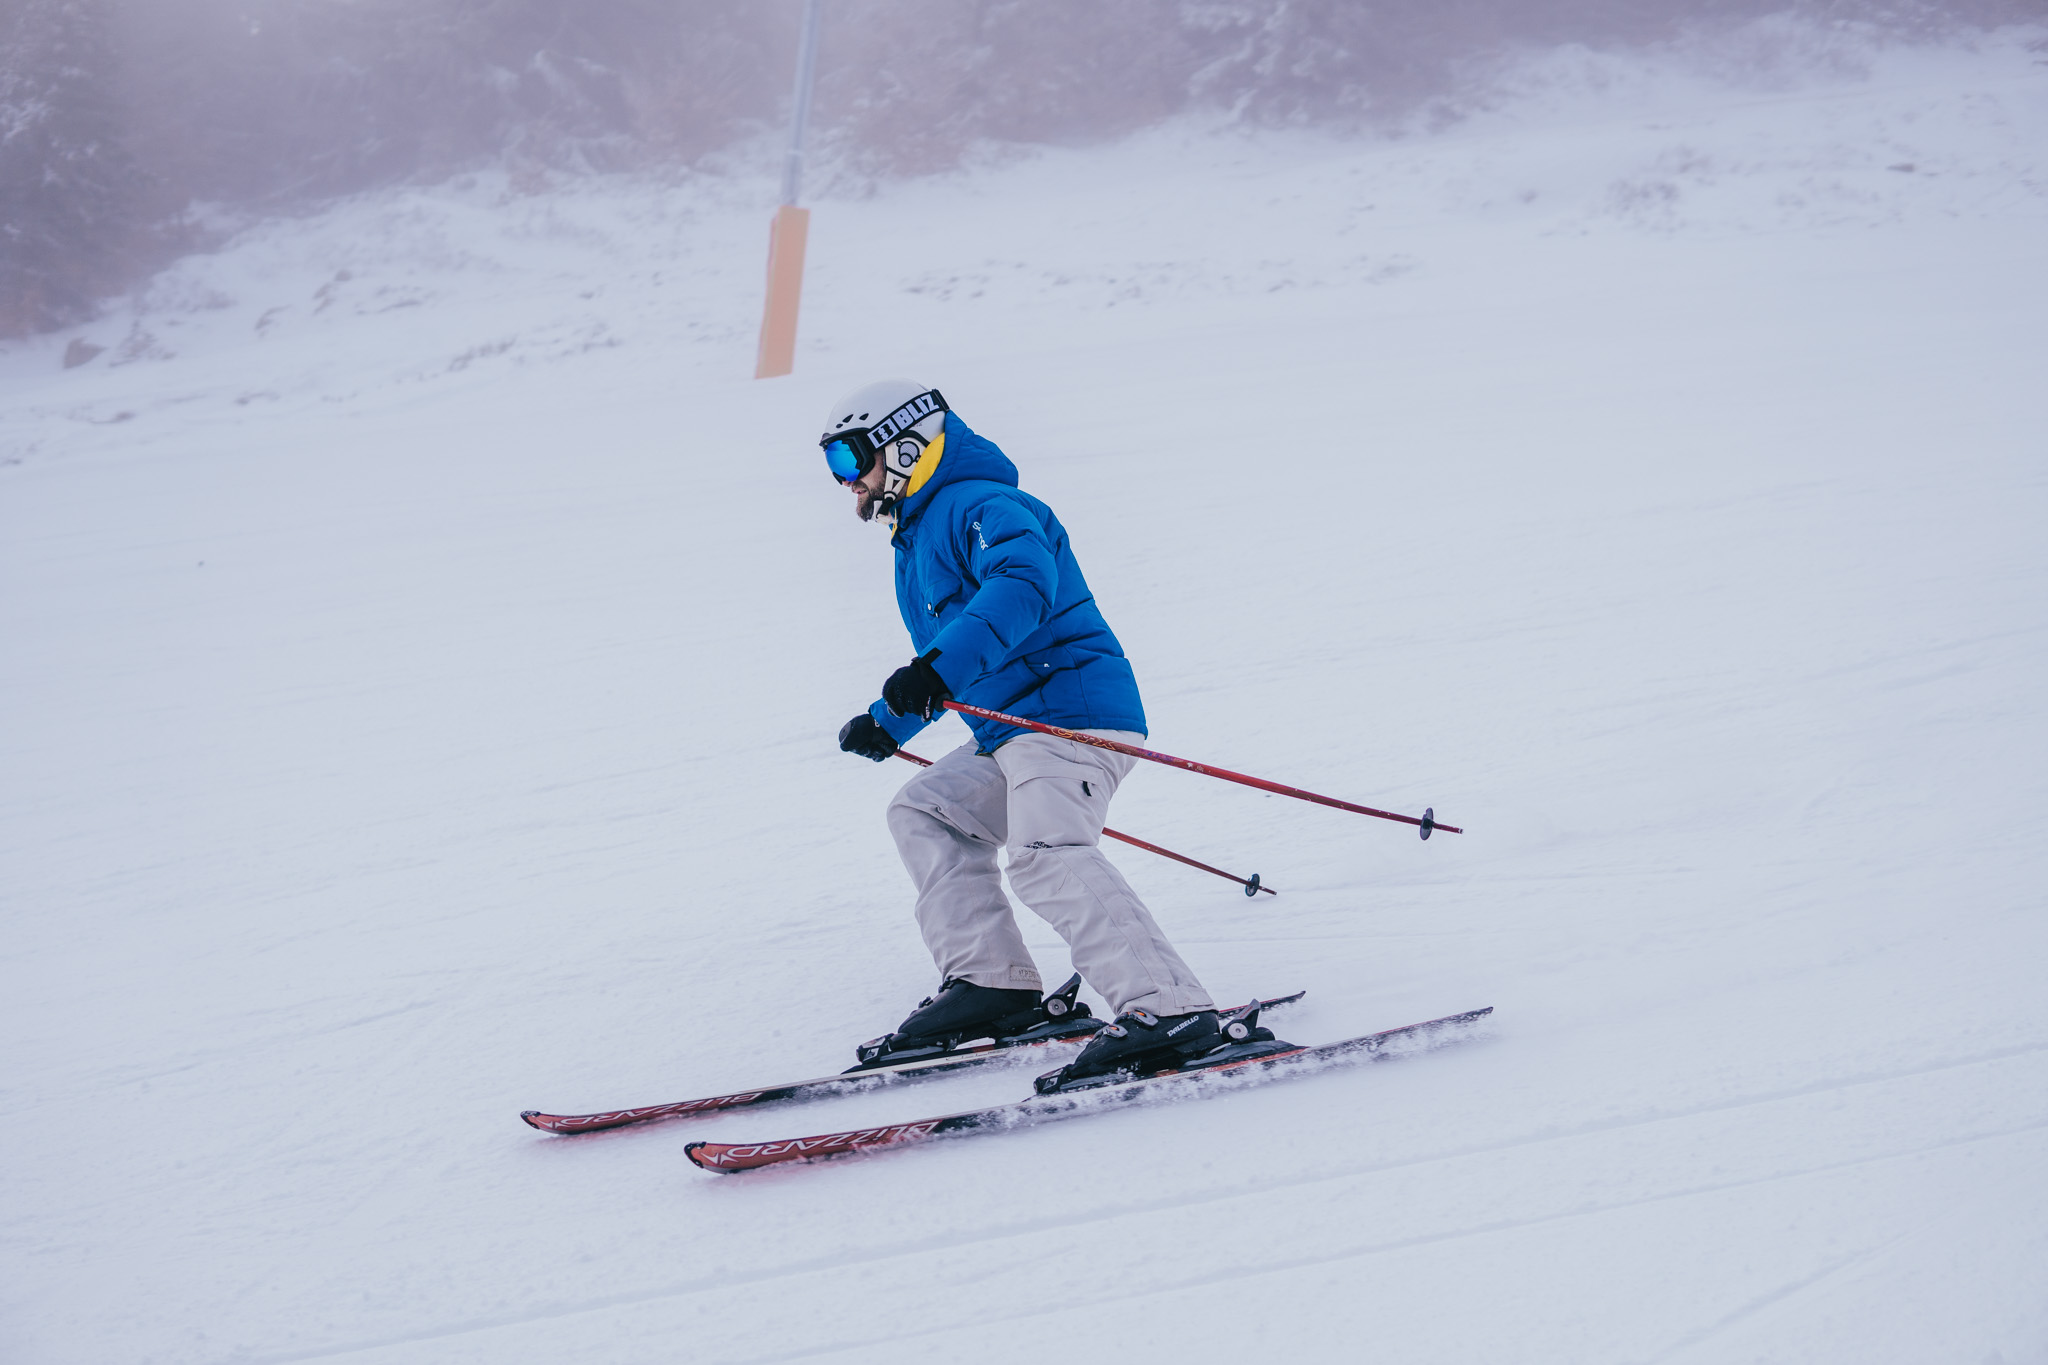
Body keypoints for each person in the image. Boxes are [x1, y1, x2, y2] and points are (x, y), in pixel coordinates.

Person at [823, 379, 1223, 1087]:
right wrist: (889, 721)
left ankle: (1168, 1008)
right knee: (925, 811)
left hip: (1069, 715)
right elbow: (957, 652)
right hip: (1011, 731)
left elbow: (1020, 585)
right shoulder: (918, 536)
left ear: (906, 442)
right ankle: (991, 983)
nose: (846, 480)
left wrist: (930, 674)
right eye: (834, 464)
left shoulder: (982, 504)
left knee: (1044, 854)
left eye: (852, 458)